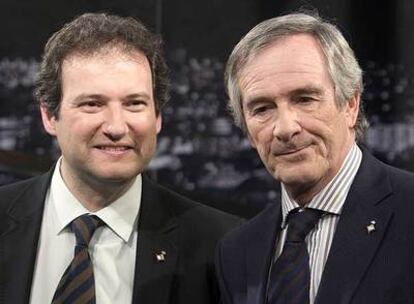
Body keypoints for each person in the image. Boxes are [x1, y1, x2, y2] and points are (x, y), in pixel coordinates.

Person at [0, 13, 239, 304]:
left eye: (135, 104)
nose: (116, 126)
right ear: (50, 116)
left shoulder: (221, 245)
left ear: (158, 117)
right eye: (92, 104)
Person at [215, 12, 414, 304]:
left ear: (350, 104)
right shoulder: (236, 251)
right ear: (245, 127)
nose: (285, 128)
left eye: (304, 99)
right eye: (262, 109)